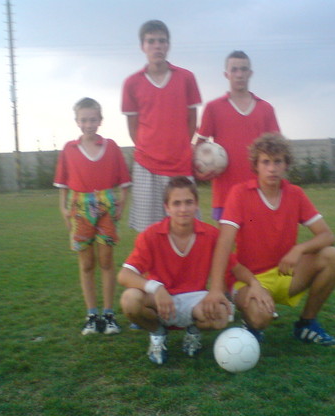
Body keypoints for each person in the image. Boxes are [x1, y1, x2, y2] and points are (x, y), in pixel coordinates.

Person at [203, 133, 335, 346]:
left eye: (277, 161)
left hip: (284, 273)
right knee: (261, 318)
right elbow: (223, 244)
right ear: (256, 165)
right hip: (248, 279)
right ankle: (252, 321)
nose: (272, 168)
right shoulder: (239, 193)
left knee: (333, 257)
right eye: (266, 162)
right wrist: (216, 289)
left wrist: (299, 249)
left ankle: (307, 323)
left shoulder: (295, 193)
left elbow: (328, 236)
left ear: (286, 164)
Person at [118, 176, 241, 365]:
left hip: (194, 299)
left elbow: (233, 266)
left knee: (221, 315)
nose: (183, 209)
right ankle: (157, 333)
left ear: (196, 205)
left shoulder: (210, 234)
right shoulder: (151, 235)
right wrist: (156, 288)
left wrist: (253, 284)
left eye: (188, 202)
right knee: (130, 300)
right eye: (176, 203)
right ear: (167, 207)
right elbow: (124, 274)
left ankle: (194, 331)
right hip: (161, 299)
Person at [54, 97, 131, 335]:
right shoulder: (69, 149)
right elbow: (62, 184)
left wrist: (121, 202)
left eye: (93, 119)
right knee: (86, 263)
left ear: (100, 120)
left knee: (106, 260)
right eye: (84, 120)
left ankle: (108, 315)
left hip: (106, 203)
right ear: (77, 121)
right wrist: (64, 208)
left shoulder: (111, 146)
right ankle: (91, 315)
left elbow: (124, 181)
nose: (89, 124)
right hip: (79, 206)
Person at [121, 20, 202, 232]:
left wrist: (178, 147)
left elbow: (192, 120)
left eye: (162, 41)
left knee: (185, 227)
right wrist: (151, 149)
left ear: (168, 45)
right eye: (151, 41)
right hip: (146, 166)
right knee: (149, 232)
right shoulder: (132, 82)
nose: (157, 46)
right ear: (142, 46)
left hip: (180, 165)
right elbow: (132, 127)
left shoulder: (186, 78)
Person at [196, 50, 280, 220]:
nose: (239, 74)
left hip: (261, 192)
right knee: (228, 238)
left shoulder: (266, 109)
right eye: (234, 70)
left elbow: (278, 152)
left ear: (250, 73)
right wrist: (200, 171)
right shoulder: (213, 108)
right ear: (226, 74)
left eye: (243, 69)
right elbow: (199, 147)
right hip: (225, 195)